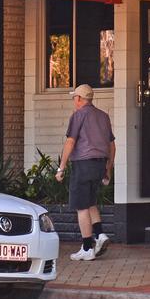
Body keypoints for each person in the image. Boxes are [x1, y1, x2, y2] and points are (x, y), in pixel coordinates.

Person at [55, 83, 115, 261]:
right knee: (90, 202)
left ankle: (88, 248)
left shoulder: (78, 115)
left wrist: (61, 167)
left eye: (75, 97)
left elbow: (70, 142)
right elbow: (112, 145)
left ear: (80, 99)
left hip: (82, 164)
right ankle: (100, 234)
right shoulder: (103, 116)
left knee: (81, 207)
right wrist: (108, 169)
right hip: (99, 165)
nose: (74, 100)